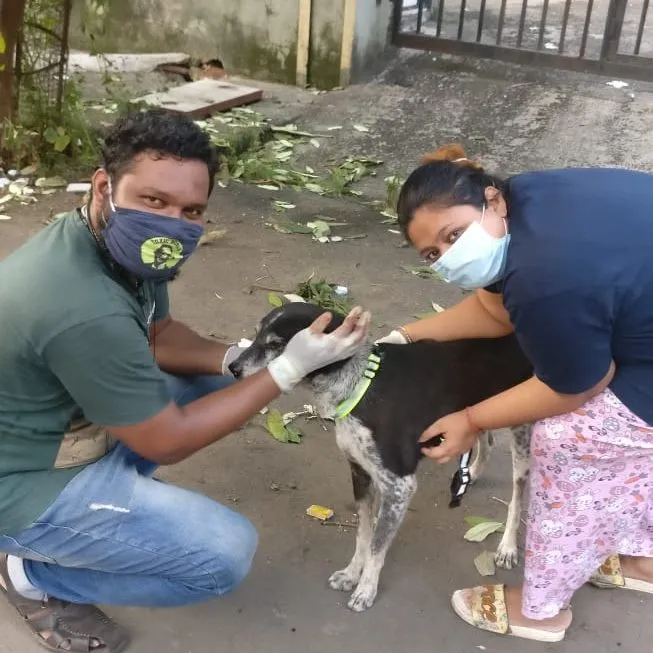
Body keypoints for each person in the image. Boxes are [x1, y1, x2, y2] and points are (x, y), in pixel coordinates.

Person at [0, 109, 370, 652]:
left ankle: (100, 514)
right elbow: (167, 442)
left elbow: (158, 335)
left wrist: (246, 359)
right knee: (221, 553)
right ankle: (31, 573)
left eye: (191, 210)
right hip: (20, 480)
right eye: (154, 201)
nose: (172, 224)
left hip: (57, 428)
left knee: (235, 383)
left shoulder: (110, 245)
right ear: (105, 186)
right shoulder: (81, 304)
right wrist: (290, 369)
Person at [377, 144, 653, 642]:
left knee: (572, 438)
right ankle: (642, 559)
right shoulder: (526, 197)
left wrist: (472, 420)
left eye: (454, 235)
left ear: (491, 201)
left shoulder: (543, 280)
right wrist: (407, 335)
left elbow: (576, 384)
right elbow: (492, 311)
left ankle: (542, 610)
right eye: (433, 254)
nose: (448, 257)